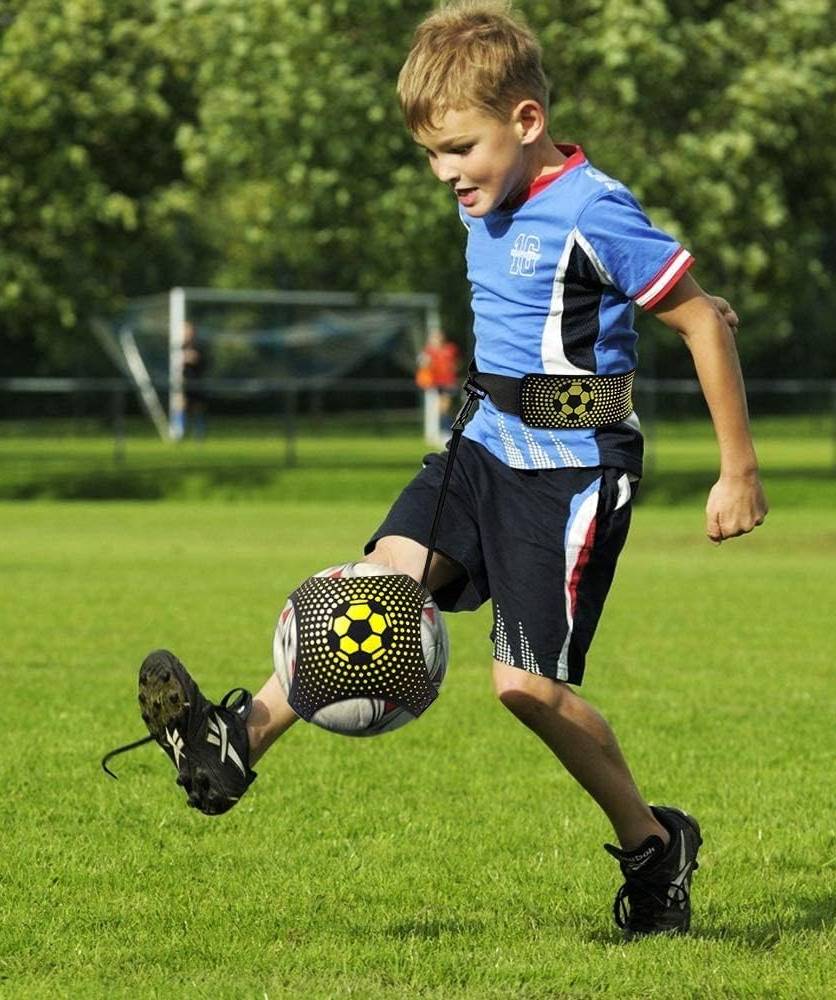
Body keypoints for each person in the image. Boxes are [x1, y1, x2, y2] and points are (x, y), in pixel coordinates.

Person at [115, 0, 768, 941]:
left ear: (527, 122)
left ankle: (652, 846)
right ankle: (234, 744)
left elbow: (695, 318)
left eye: (460, 149)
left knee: (523, 689)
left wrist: (736, 471)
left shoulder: (593, 206)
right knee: (372, 595)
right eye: (432, 155)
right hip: (481, 446)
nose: (446, 174)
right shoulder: (489, 195)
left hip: (572, 473)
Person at [416, 327, 461, 441]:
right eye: (434, 336)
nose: (437, 338)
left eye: (438, 335)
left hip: (448, 382)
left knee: (444, 407)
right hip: (434, 383)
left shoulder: (450, 348)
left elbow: (457, 362)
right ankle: (443, 431)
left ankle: (447, 431)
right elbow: (423, 365)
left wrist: (454, 367)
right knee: (439, 409)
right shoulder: (428, 351)